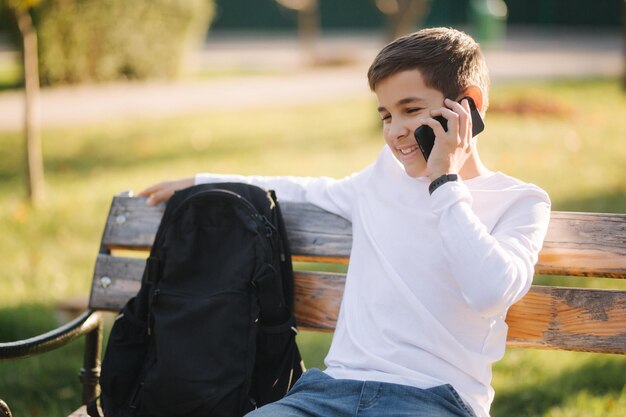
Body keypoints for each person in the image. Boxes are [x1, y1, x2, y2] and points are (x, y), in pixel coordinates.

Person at [139, 27, 551, 417]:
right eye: (386, 116)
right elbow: (299, 189)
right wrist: (198, 183)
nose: (395, 133)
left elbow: (490, 292)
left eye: (410, 110)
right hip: (329, 393)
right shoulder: (381, 178)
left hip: (434, 399)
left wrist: (444, 181)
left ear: (468, 105)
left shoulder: (520, 201)